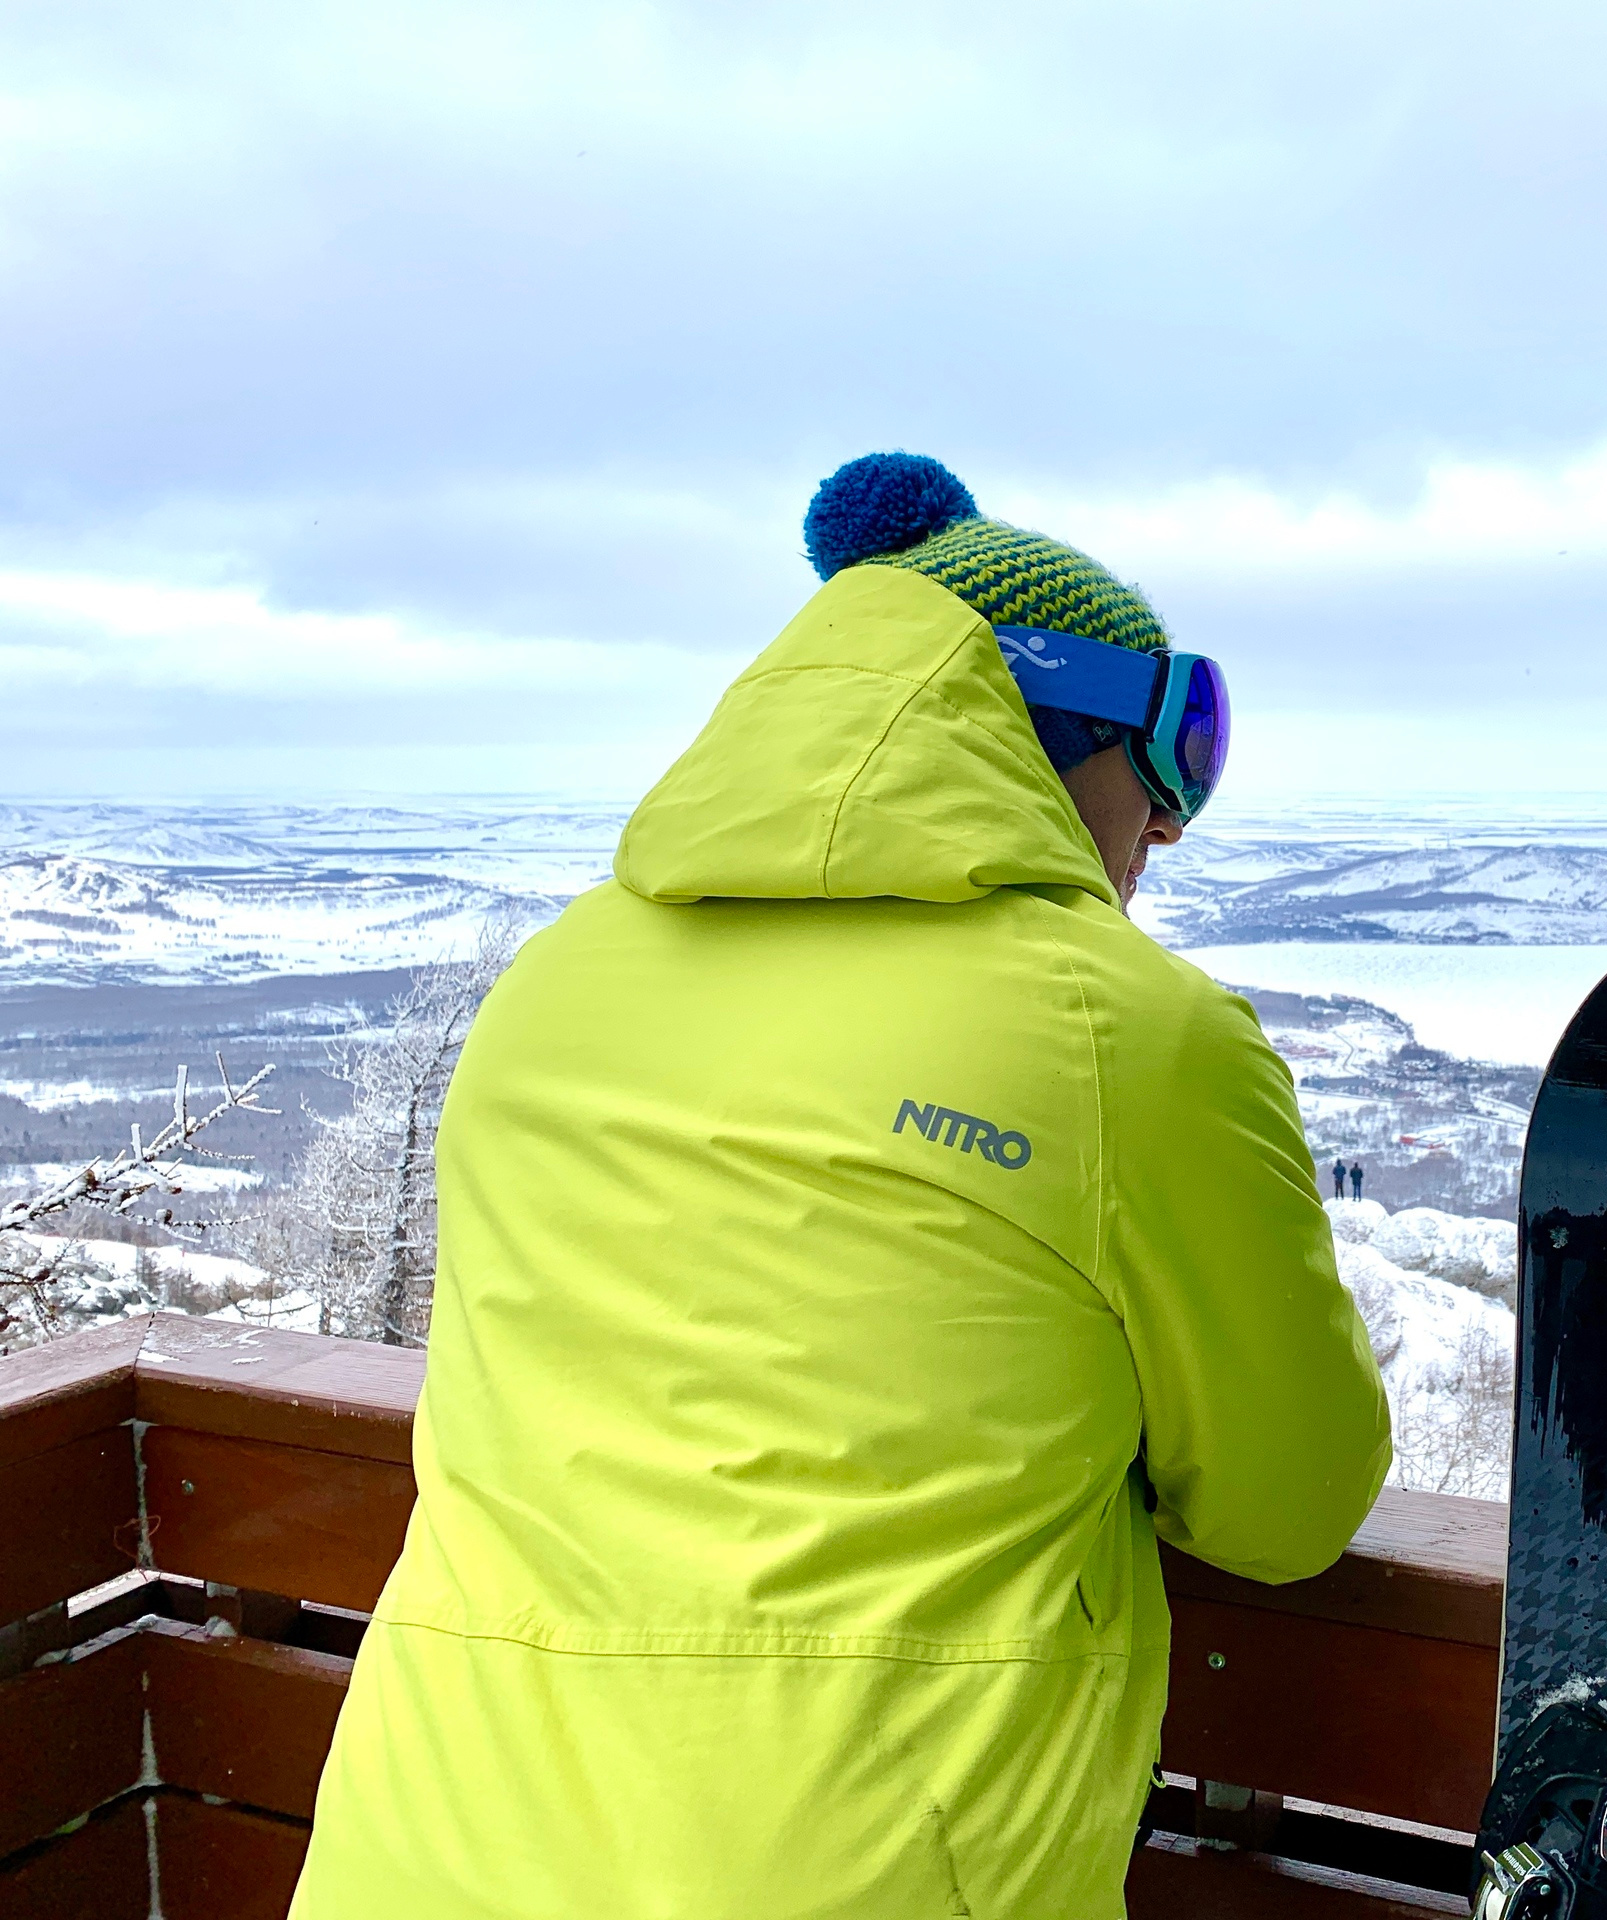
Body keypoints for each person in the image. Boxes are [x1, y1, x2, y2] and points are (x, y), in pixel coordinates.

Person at [290, 454, 1392, 1920]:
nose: (1172, 824)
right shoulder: (1132, 1037)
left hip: (422, 1845)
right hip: (852, 1874)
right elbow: (1287, 1503)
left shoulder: (550, 984)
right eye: (1175, 754)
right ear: (1056, 735)